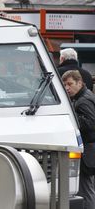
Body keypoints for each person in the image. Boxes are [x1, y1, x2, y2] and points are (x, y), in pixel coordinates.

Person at [62, 70, 95, 209]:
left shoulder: (83, 101)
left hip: (87, 151)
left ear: (79, 83)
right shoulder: (84, 96)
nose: (67, 88)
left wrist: (72, 116)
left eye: (70, 84)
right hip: (89, 150)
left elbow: (91, 123)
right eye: (64, 85)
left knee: (85, 189)